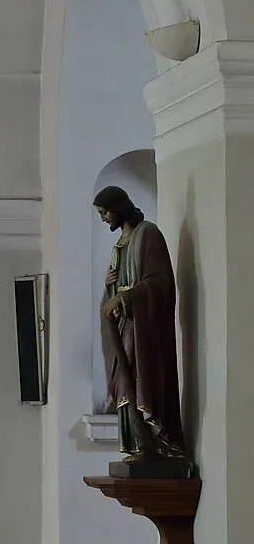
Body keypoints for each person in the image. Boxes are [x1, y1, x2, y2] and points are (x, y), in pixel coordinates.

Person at [95, 185, 189, 470]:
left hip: (143, 327)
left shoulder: (148, 235)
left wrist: (124, 296)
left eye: (105, 212)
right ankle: (137, 443)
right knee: (122, 382)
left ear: (119, 207)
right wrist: (111, 286)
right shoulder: (120, 244)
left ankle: (156, 442)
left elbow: (160, 282)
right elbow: (120, 285)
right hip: (125, 324)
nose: (103, 218)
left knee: (139, 380)